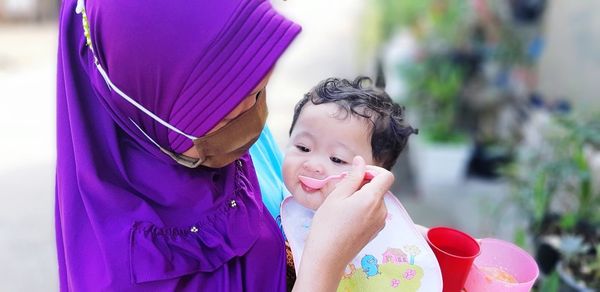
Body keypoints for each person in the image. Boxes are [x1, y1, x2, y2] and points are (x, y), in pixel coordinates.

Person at [55, 0, 394, 291]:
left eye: (259, 91)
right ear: (143, 106)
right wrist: (325, 261)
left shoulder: (220, 149)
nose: (251, 122)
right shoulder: (125, 274)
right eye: (223, 114)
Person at [282, 76, 418, 210]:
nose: (312, 165)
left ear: (373, 176)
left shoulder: (373, 224)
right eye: (303, 148)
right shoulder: (271, 196)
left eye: (337, 159)